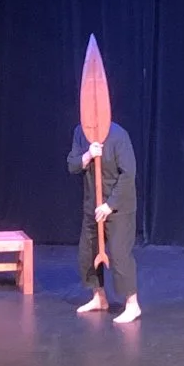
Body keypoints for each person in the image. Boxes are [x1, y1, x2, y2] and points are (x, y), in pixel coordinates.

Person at [67, 121, 141, 323]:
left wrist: (110, 205)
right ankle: (99, 297)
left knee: (119, 255)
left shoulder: (119, 135)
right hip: (93, 204)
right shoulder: (80, 132)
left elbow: (128, 174)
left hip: (118, 206)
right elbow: (72, 165)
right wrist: (87, 155)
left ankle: (132, 304)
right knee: (87, 252)